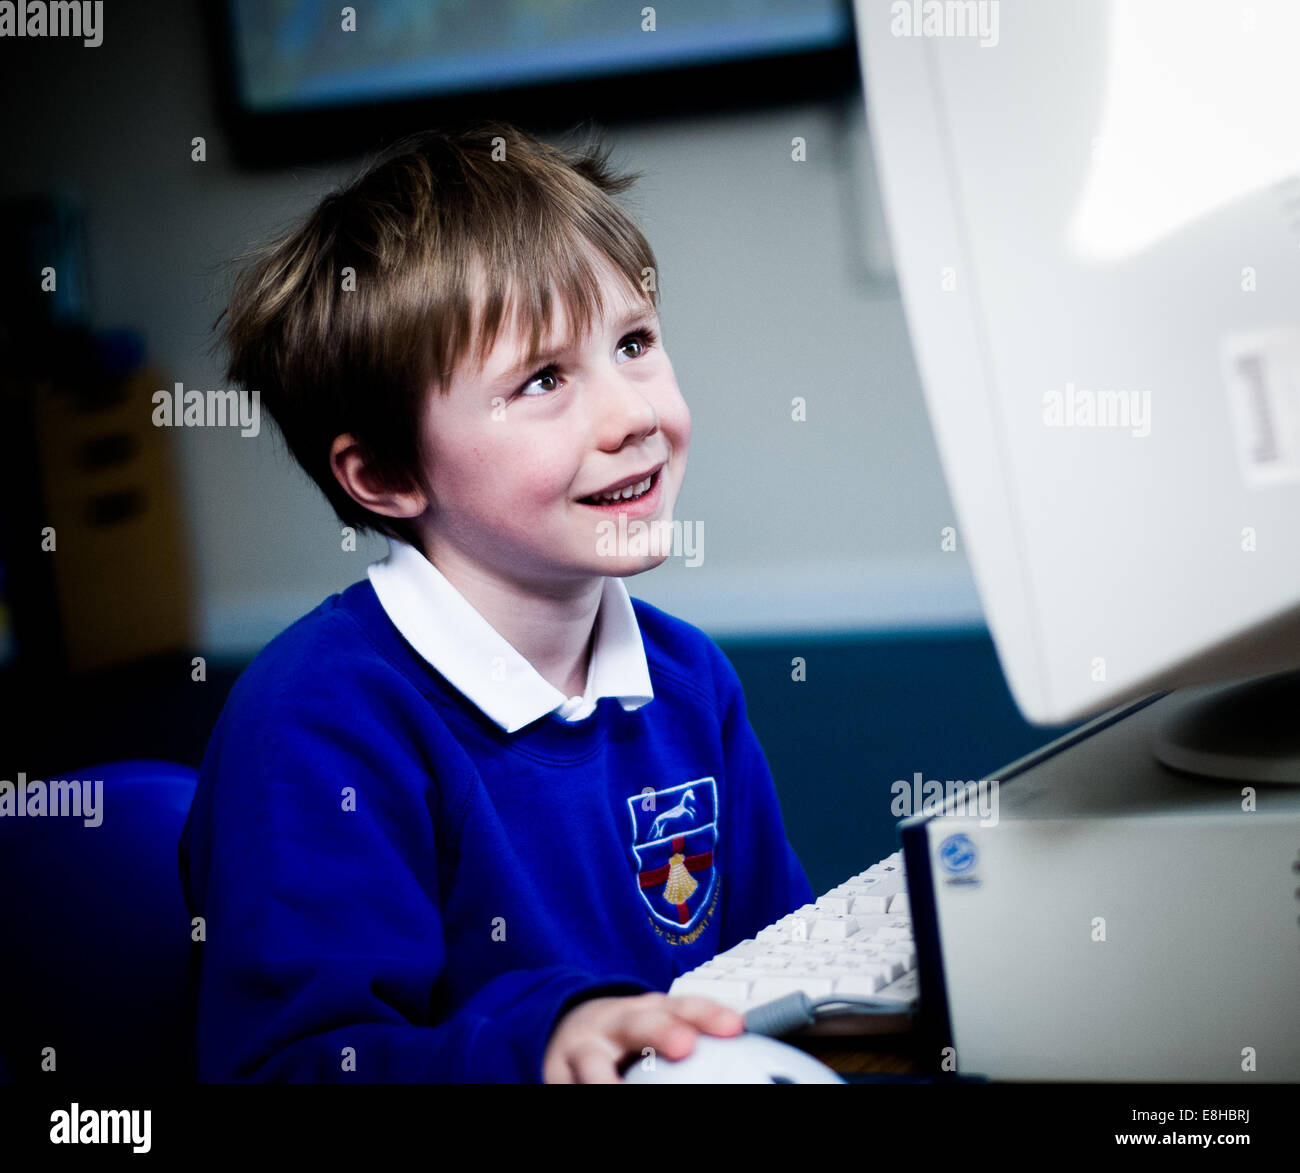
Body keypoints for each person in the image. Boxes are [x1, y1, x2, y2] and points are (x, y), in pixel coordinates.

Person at [179, 121, 813, 1083]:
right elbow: (299, 1068)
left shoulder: (690, 681)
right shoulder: (315, 720)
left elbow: (779, 972)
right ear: (387, 473)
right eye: (545, 378)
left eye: (635, 342)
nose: (634, 414)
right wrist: (540, 1043)